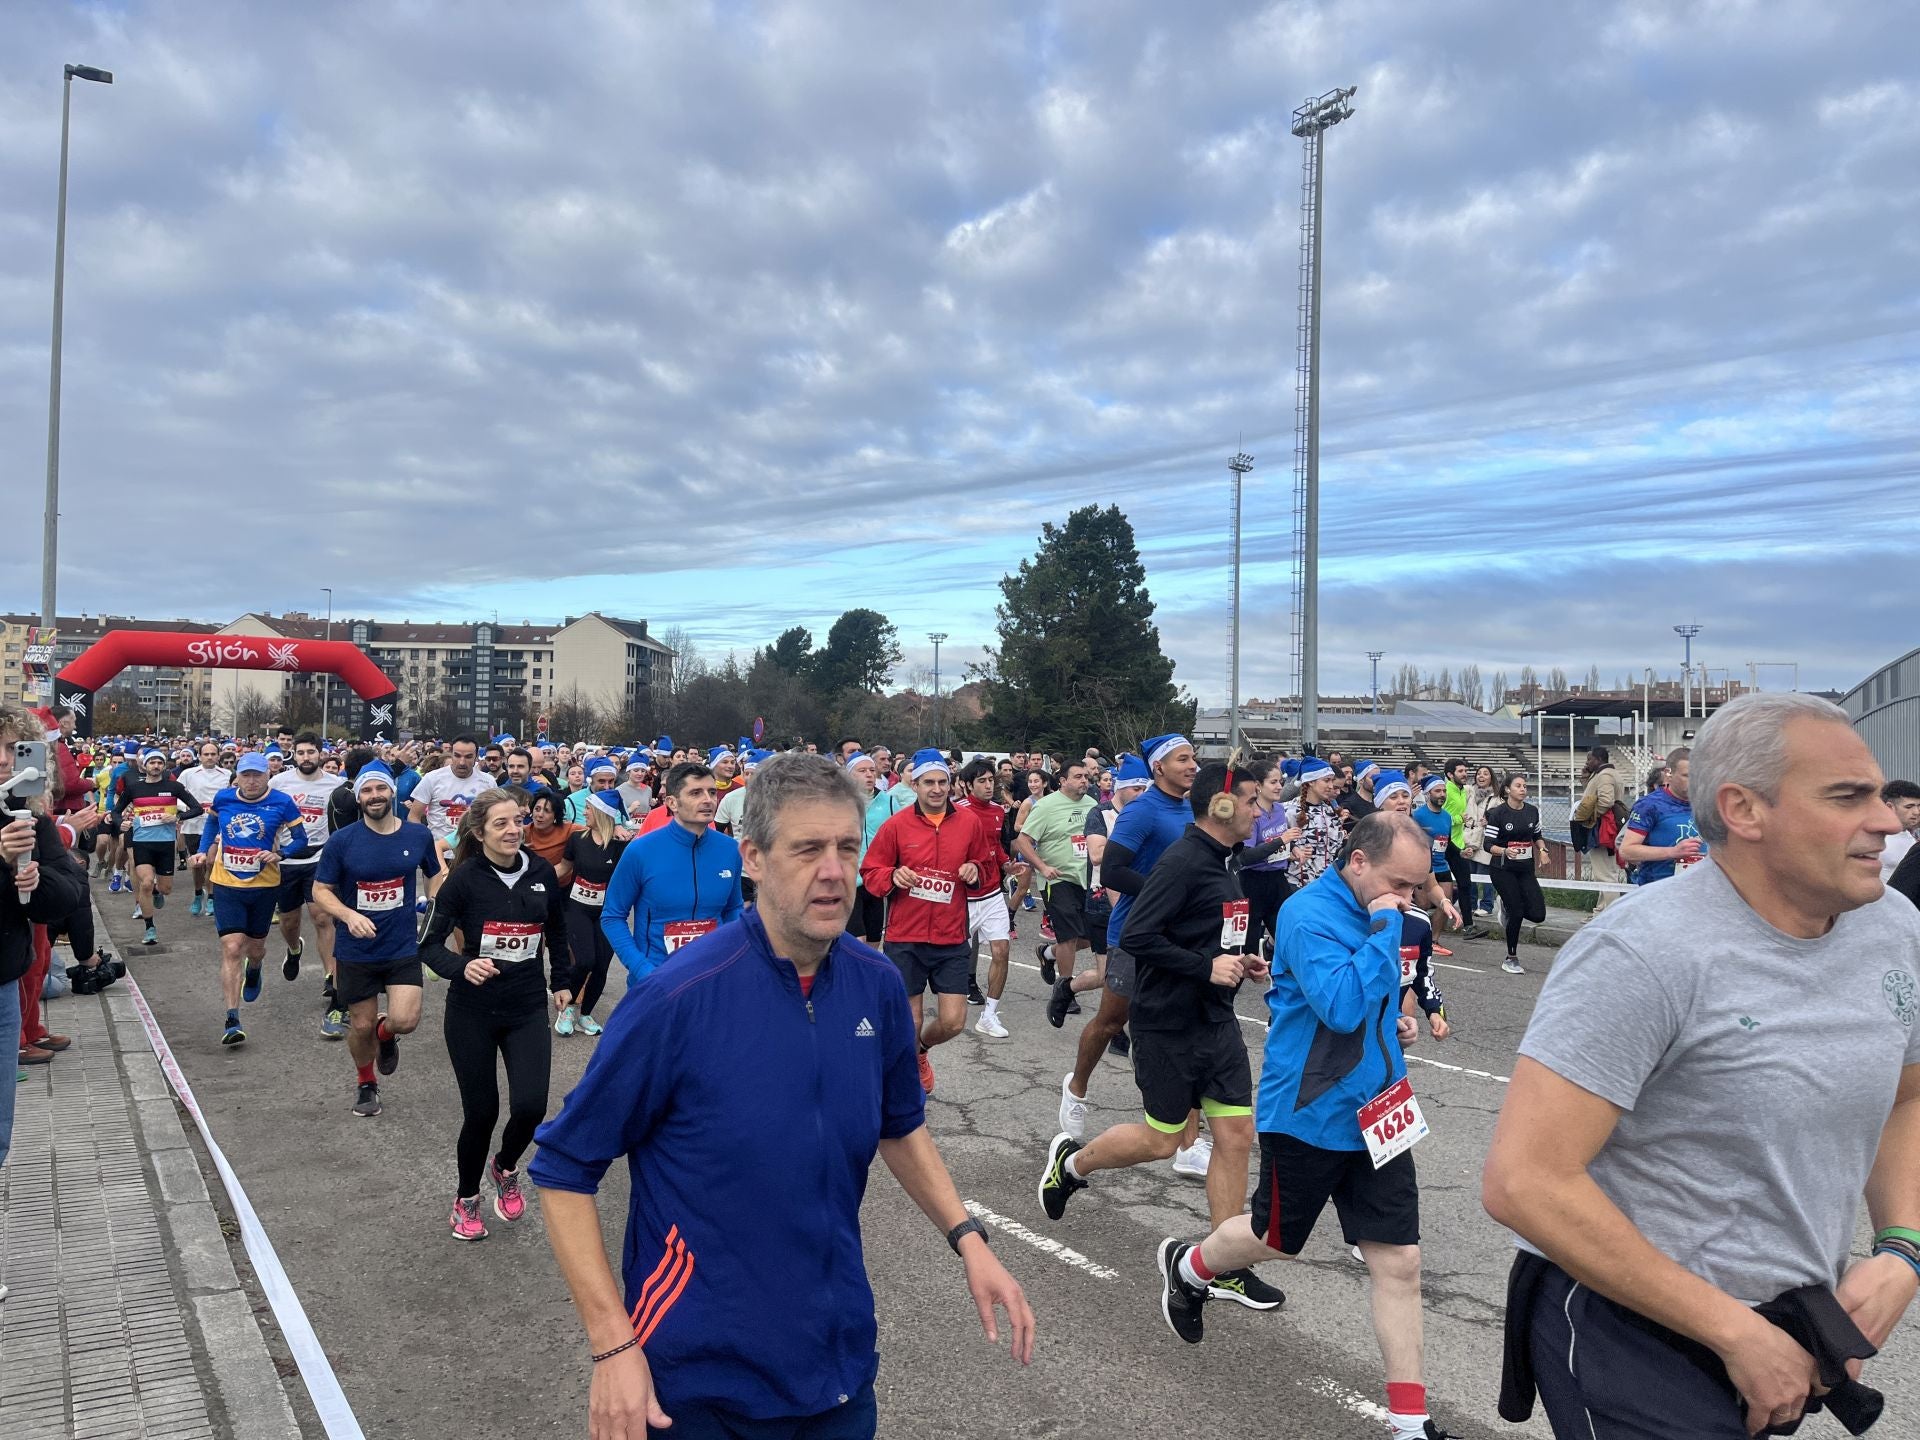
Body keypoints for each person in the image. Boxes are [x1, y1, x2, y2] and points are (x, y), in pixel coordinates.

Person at [528, 753, 1033, 1436]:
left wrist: (969, 1239)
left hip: (839, 1370)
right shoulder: (675, 999)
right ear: (755, 859)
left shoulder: (876, 984)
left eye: (847, 848)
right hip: (699, 1386)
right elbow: (564, 1168)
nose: (833, 870)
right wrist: (611, 1343)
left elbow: (899, 1123)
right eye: (808, 849)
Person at [1483, 691, 1920, 1439]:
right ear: (1744, 811)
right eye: (1848, 796)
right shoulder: (1643, 953)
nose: (1886, 819)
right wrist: (1735, 1333)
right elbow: (1525, 1181)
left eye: (1880, 793)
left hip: (1787, 1317)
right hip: (1628, 1326)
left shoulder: (1894, 926)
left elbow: (1906, 1099)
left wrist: (1902, 1250)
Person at [1153, 812, 1463, 1440]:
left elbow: (1369, 1001)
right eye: (1400, 885)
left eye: (1416, 888)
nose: (1409, 900)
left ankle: (1410, 1424)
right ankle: (1190, 1267)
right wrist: (1384, 926)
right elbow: (1342, 1007)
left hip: (1380, 1106)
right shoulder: (1308, 915)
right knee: (1275, 1239)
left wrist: (1395, 1020)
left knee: (1399, 1261)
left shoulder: (1386, 909)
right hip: (1310, 1111)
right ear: (1357, 862)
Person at [1039, 762, 1286, 1313]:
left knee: (1237, 1135)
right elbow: (1141, 935)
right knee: (1163, 1140)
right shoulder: (1182, 860)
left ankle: (1224, 1263)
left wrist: (1238, 960)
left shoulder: (1224, 860)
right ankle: (1071, 1166)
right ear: (1222, 806)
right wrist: (1204, 966)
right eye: (1251, 800)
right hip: (1168, 1022)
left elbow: (1210, 930)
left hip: (1215, 1021)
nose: (1259, 809)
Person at [419, 788, 571, 1240]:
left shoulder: (541, 871)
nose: (512, 830)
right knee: (481, 1112)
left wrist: (560, 980)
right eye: (501, 823)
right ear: (479, 831)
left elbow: (557, 932)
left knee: (530, 1106)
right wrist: (463, 965)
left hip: (525, 1006)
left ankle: (504, 1166)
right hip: (473, 1011)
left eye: (518, 821)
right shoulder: (462, 880)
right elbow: (427, 946)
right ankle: (466, 1199)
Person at [1060, 735, 1211, 1176]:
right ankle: (1077, 1087)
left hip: (1181, 937)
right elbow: (1114, 870)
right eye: (1183, 759)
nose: (1192, 766)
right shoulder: (1143, 810)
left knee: (1188, 1029)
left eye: (1193, 759)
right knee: (1110, 1021)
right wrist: (1170, 893)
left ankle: (1187, 1143)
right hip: (1135, 934)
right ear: (1159, 768)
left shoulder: (1193, 810)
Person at [861, 749, 996, 1093]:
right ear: (915, 784)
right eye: (928, 783)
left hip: (951, 937)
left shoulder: (968, 823)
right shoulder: (896, 825)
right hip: (906, 937)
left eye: (942, 782)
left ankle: (921, 1050)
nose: (936, 789)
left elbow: (985, 863)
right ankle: (904, 1088)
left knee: (952, 1022)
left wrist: (974, 870)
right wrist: (893, 876)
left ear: (951, 785)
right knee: (911, 1021)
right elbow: (871, 871)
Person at [312, 763, 442, 1119]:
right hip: (356, 949)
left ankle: (387, 1037)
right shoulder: (342, 841)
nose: (374, 797)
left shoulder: (417, 836)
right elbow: (321, 890)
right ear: (358, 798)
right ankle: (366, 1082)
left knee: (405, 1021)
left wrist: (432, 903)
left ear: (392, 793)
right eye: (367, 791)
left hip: (401, 945)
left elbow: (435, 874)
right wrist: (349, 916)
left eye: (380, 790)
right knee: (361, 1025)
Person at [3, 709, 89, 1151]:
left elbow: (67, 891)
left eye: (14, 749)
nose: (4, 760)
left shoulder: (29, 817)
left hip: (5, 976)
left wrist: (35, 881)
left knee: (1, 1134)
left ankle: (27, 1032)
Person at [193, 754, 311, 1046]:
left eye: (257, 775)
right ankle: (232, 1018)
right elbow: (211, 825)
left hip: (264, 885)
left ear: (268, 775)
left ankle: (255, 968)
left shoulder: (282, 802)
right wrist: (203, 848)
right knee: (232, 947)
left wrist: (281, 854)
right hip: (227, 883)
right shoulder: (224, 798)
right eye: (246, 775)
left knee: (255, 949)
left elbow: (301, 839)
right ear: (237, 777)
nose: (252, 781)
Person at [600, 762, 743, 985]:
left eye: (712, 792)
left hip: (712, 979)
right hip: (657, 981)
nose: (708, 799)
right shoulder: (641, 851)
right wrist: (642, 969)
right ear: (672, 803)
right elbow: (612, 916)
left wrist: (731, 955)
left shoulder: (730, 850)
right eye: (696, 793)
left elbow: (733, 908)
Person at [269, 733, 349, 1038]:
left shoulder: (335, 785)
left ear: (321, 754)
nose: (305, 757)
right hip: (286, 860)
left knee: (322, 917)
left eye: (311, 752)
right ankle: (293, 948)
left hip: (321, 858)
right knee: (289, 922)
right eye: (300, 752)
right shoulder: (279, 783)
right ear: (294, 754)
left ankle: (331, 976)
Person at [1017, 758, 1098, 1027]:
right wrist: (1042, 866)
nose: (1084, 781)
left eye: (1086, 776)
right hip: (1057, 879)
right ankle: (1066, 990)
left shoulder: (1093, 806)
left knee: (1086, 939)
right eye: (1078, 776)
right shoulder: (1046, 806)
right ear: (1062, 780)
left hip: (1087, 879)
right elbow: (1024, 840)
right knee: (1069, 936)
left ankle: (1047, 954)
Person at [112, 748, 204, 947]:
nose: (155, 766)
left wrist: (177, 817)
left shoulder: (174, 787)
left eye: (159, 763)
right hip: (142, 842)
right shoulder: (134, 788)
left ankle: (157, 892)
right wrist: (122, 823)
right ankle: (150, 927)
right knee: (145, 882)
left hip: (165, 844)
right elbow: (116, 811)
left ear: (164, 766)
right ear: (145, 765)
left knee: (166, 889)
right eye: (152, 762)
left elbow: (198, 808)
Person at [557, 792, 629, 1036]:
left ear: (601, 813)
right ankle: (567, 1009)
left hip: (607, 912)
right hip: (577, 907)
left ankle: (585, 1014)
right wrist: (535, 878)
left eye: (588, 808)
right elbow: (563, 868)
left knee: (600, 966)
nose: (584, 812)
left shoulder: (621, 845)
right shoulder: (577, 839)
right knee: (585, 959)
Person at [952, 758, 1013, 1037]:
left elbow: (996, 847)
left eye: (991, 780)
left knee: (1001, 951)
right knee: (954, 957)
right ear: (967, 785)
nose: (989, 786)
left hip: (991, 894)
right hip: (962, 897)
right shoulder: (955, 810)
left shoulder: (1000, 811)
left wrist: (1007, 864)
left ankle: (988, 1015)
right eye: (982, 781)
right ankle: (948, 1010)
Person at [1482, 773, 1546, 974]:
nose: (1523, 789)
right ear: (1508, 789)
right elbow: (1487, 844)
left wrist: (1543, 850)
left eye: (1525, 786)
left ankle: (1507, 906)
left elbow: (1537, 835)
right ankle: (1511, 958)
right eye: (1518, 786)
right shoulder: (1498, 814)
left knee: (1538, 914)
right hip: (1502, 868)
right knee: (1517, 910)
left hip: (1525, 868)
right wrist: (1504, 851)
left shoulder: (1532, 811)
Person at [1617, 746, 1705, 886]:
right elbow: (1627, 851)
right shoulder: (1650, 805)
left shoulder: (1708, 804)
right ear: (1668, 774)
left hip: (1699, 891)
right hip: (1658, 891)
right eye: (1687, 775)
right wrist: (1673, 852)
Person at [408, 734, 493, 863]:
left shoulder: (488, 782)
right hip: (439, 853)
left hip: (475, 854)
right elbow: (414, 816)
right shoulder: (432, 778)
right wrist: (425, 843)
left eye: (468, 757)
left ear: (476, 757)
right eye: (457, 755)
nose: (462, 762)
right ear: (451, 754)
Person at [176, 740, 231, 916]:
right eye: (206, 754)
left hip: (217, 824)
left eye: (213, 754)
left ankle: (213, 897)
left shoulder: (227, 774)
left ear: (218, 756)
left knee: (211, 861)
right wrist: (189, 809)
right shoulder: (188, 773)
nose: (209, 757)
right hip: (194, 824)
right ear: (199, 756)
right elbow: (177, 796)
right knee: (198, 864)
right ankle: (198, 893)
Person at [1570, 745, 1627, 910]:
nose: (1587, 762)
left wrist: (1590, 818)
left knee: (1604, 875)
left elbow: (1606, 801)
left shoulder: (1605, 776)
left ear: (1598, 759)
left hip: (1602, 829)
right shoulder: (1609, 774)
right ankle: (1601, 909)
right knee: (1608, 872)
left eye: (1589, 759)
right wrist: (1587, 779)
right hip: (1609, 828)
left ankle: (1609, 912)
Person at [1882, 779, 1920, 883]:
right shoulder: (1875, 838)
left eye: (1919, 806)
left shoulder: (1912, 838)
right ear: (1890, 807)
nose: (1916, 812)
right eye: (1909, 807)